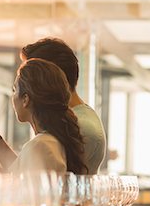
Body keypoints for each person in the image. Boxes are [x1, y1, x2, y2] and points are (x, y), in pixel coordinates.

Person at [0, 58, 88, 176]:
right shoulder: (50, 141)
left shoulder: (40, 145)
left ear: (25, 99)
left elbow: (4, 193)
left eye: (14, 90)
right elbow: (18, 170)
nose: (12, 97)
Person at [21, 38, 107, 174]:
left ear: (52, 75)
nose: (23, 85)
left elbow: (40, 179)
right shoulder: (71, 118)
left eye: (31, 74)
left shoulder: (81, 126)